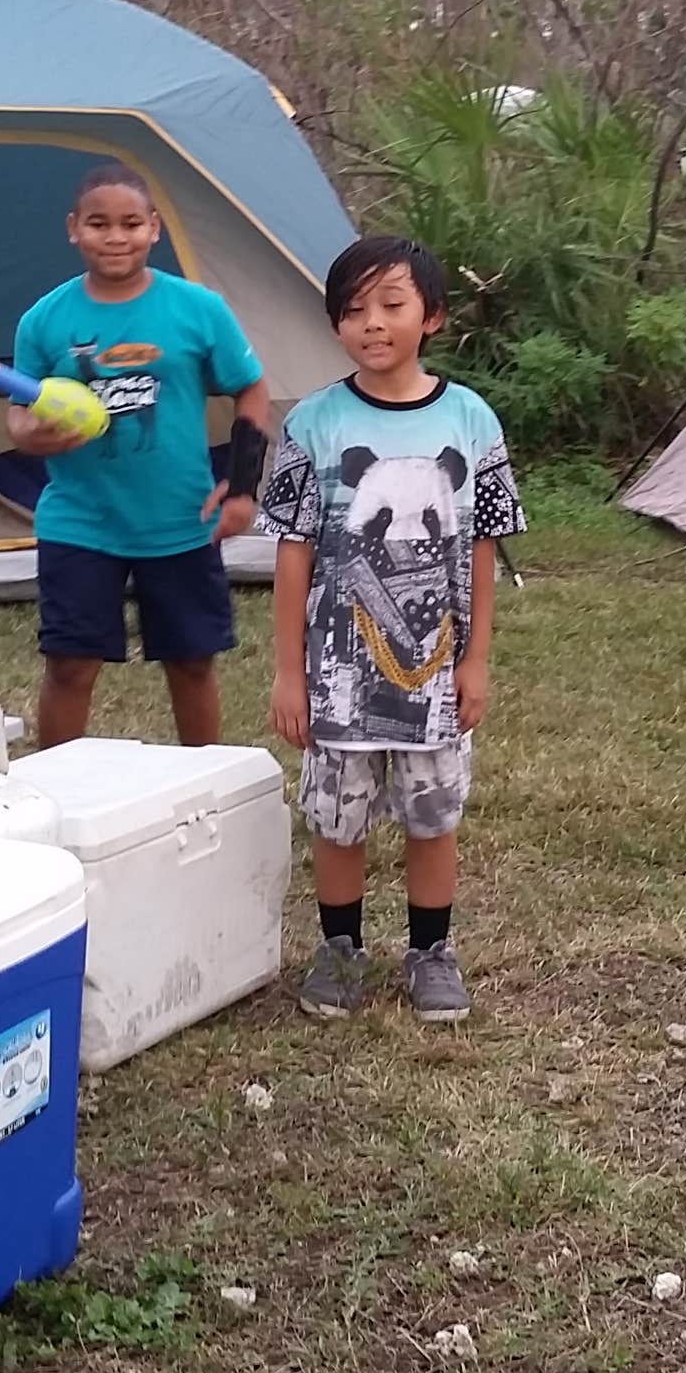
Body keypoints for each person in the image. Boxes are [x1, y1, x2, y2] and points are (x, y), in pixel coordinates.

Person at [258, 235, 524, 1024]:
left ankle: (431, 950)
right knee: (336, 815)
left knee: (431, 812)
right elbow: (293, 553)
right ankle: (340, 946)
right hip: (339, 671)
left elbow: (482, 547)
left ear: (432, 316)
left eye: (392, 305)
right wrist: (288, 670)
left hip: (436, 674)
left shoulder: (471, 421)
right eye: (352, 310)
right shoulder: (314, 423)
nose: (372, 323)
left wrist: (475, 659)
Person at [7, 163, 275, 749]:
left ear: (155, 229)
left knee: (192, 662)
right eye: (99, 223)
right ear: (73, 229)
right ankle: (58, 794)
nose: (116, 236)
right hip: (80, 521)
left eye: (131, 223)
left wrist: (242, 482)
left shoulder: (197, 309)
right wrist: (35, 436)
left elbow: (250, 388)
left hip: (181, 520)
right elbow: (19, 413)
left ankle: (204, 788)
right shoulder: (45, 319)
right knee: (70, 664)